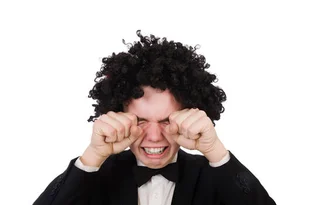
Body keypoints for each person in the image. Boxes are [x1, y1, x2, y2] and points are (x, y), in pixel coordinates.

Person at [34, 30, 276, 205]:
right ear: (118, 116)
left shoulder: (215, 176)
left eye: (166, 120)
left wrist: (215, 150)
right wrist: (93, 156)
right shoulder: (94, 177)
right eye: (140, 120)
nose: (153, 136)